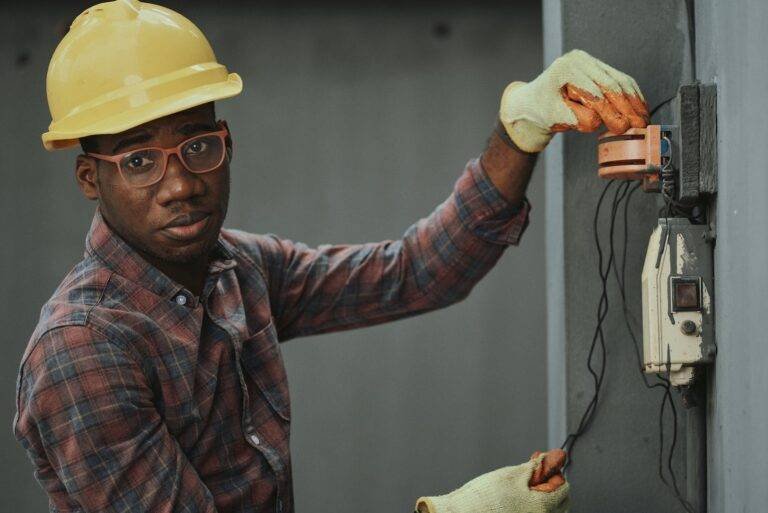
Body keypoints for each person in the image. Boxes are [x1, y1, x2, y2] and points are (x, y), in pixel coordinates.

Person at [13, 1, 648, 512]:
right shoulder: (85, 350)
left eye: (198, 146)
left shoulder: (236, 272)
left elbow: (414, 274)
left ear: (226, 142)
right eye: (138, 160)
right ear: (91, 179)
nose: (180, 185)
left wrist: (518, 130)